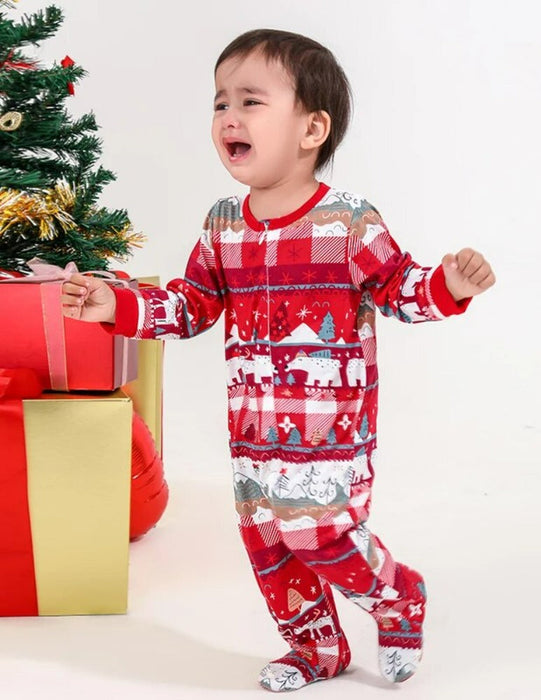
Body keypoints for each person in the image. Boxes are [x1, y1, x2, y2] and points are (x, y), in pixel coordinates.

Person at [61, 28, 495, 693]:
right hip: (254, 441)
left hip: (328, 438)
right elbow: (192, 306)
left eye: (251, 101)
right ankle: (318, 650)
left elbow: (401, 287)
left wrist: (451, 285)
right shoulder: (222, 225)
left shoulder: (348, 224)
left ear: (311, 128)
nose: (228, 117)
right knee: (269, 546)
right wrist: (115, 305)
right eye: (219, 103)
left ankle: (398, 597)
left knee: (319, 537)